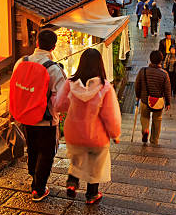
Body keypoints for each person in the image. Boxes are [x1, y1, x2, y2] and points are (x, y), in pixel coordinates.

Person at [54, 48, 121, 205]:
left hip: (74, 133)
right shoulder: (105, 88)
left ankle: (72, 181)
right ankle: (91, 194)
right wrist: (115, 133)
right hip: (96, 135)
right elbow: (110, 116)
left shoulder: (70, 83)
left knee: (77, 157)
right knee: (95, 165)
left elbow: (59, 105)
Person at [12, 29, 66, 202]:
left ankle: (34, 177)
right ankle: (38, 188)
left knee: (32, 147)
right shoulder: (54, 69)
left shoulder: (21, 62)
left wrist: (12, 111)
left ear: (36, 43)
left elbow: (14, 88)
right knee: (47, 152)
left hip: (25, 116)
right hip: (46, 120)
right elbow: (62, 100)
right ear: (53, 47)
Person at [135, 50, 171, 145]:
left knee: (144, 117)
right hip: (158, 101)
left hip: (145, 100)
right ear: (161, 60)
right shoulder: (164, 74)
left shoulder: (143, 71)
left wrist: (137, 95)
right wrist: (168, 102)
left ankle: (145, 130)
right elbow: (167, 90)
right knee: (157, 120)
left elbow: (137, 84)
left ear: (150, 59)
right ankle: (154, 140)